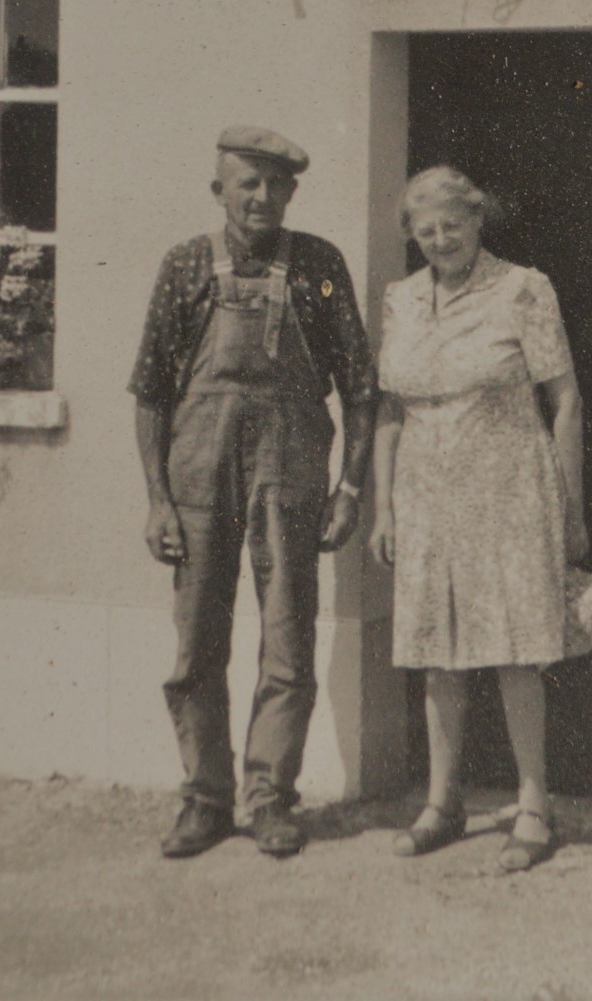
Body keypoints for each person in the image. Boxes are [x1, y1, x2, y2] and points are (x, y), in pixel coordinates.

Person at [129, 126, 376, 859]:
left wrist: (350, 487)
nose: (262, 196)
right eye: (247, 183)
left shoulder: (319, 266)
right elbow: (150, 390)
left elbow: (360, 387)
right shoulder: (184, 265)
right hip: (198, 468)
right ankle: (205, 799)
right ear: (219, 191)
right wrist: (157, 499)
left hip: (289, 463)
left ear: (291, 191)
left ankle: (269, 798)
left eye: (275, 184)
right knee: (196, 640)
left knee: (288, 635)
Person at [368, 166, 587, 873]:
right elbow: (389, 411)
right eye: (426, 231)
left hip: (509, 490)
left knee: (515, 650)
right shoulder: (401, 298)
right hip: (425, 497)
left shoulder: (523, 288)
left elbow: (565, 401)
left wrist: (571, 507)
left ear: (478, 219)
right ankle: (442, 802)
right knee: (436, 652)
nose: (440, 240)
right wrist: (383, 507)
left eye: (452, 226)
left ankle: (533, 806)